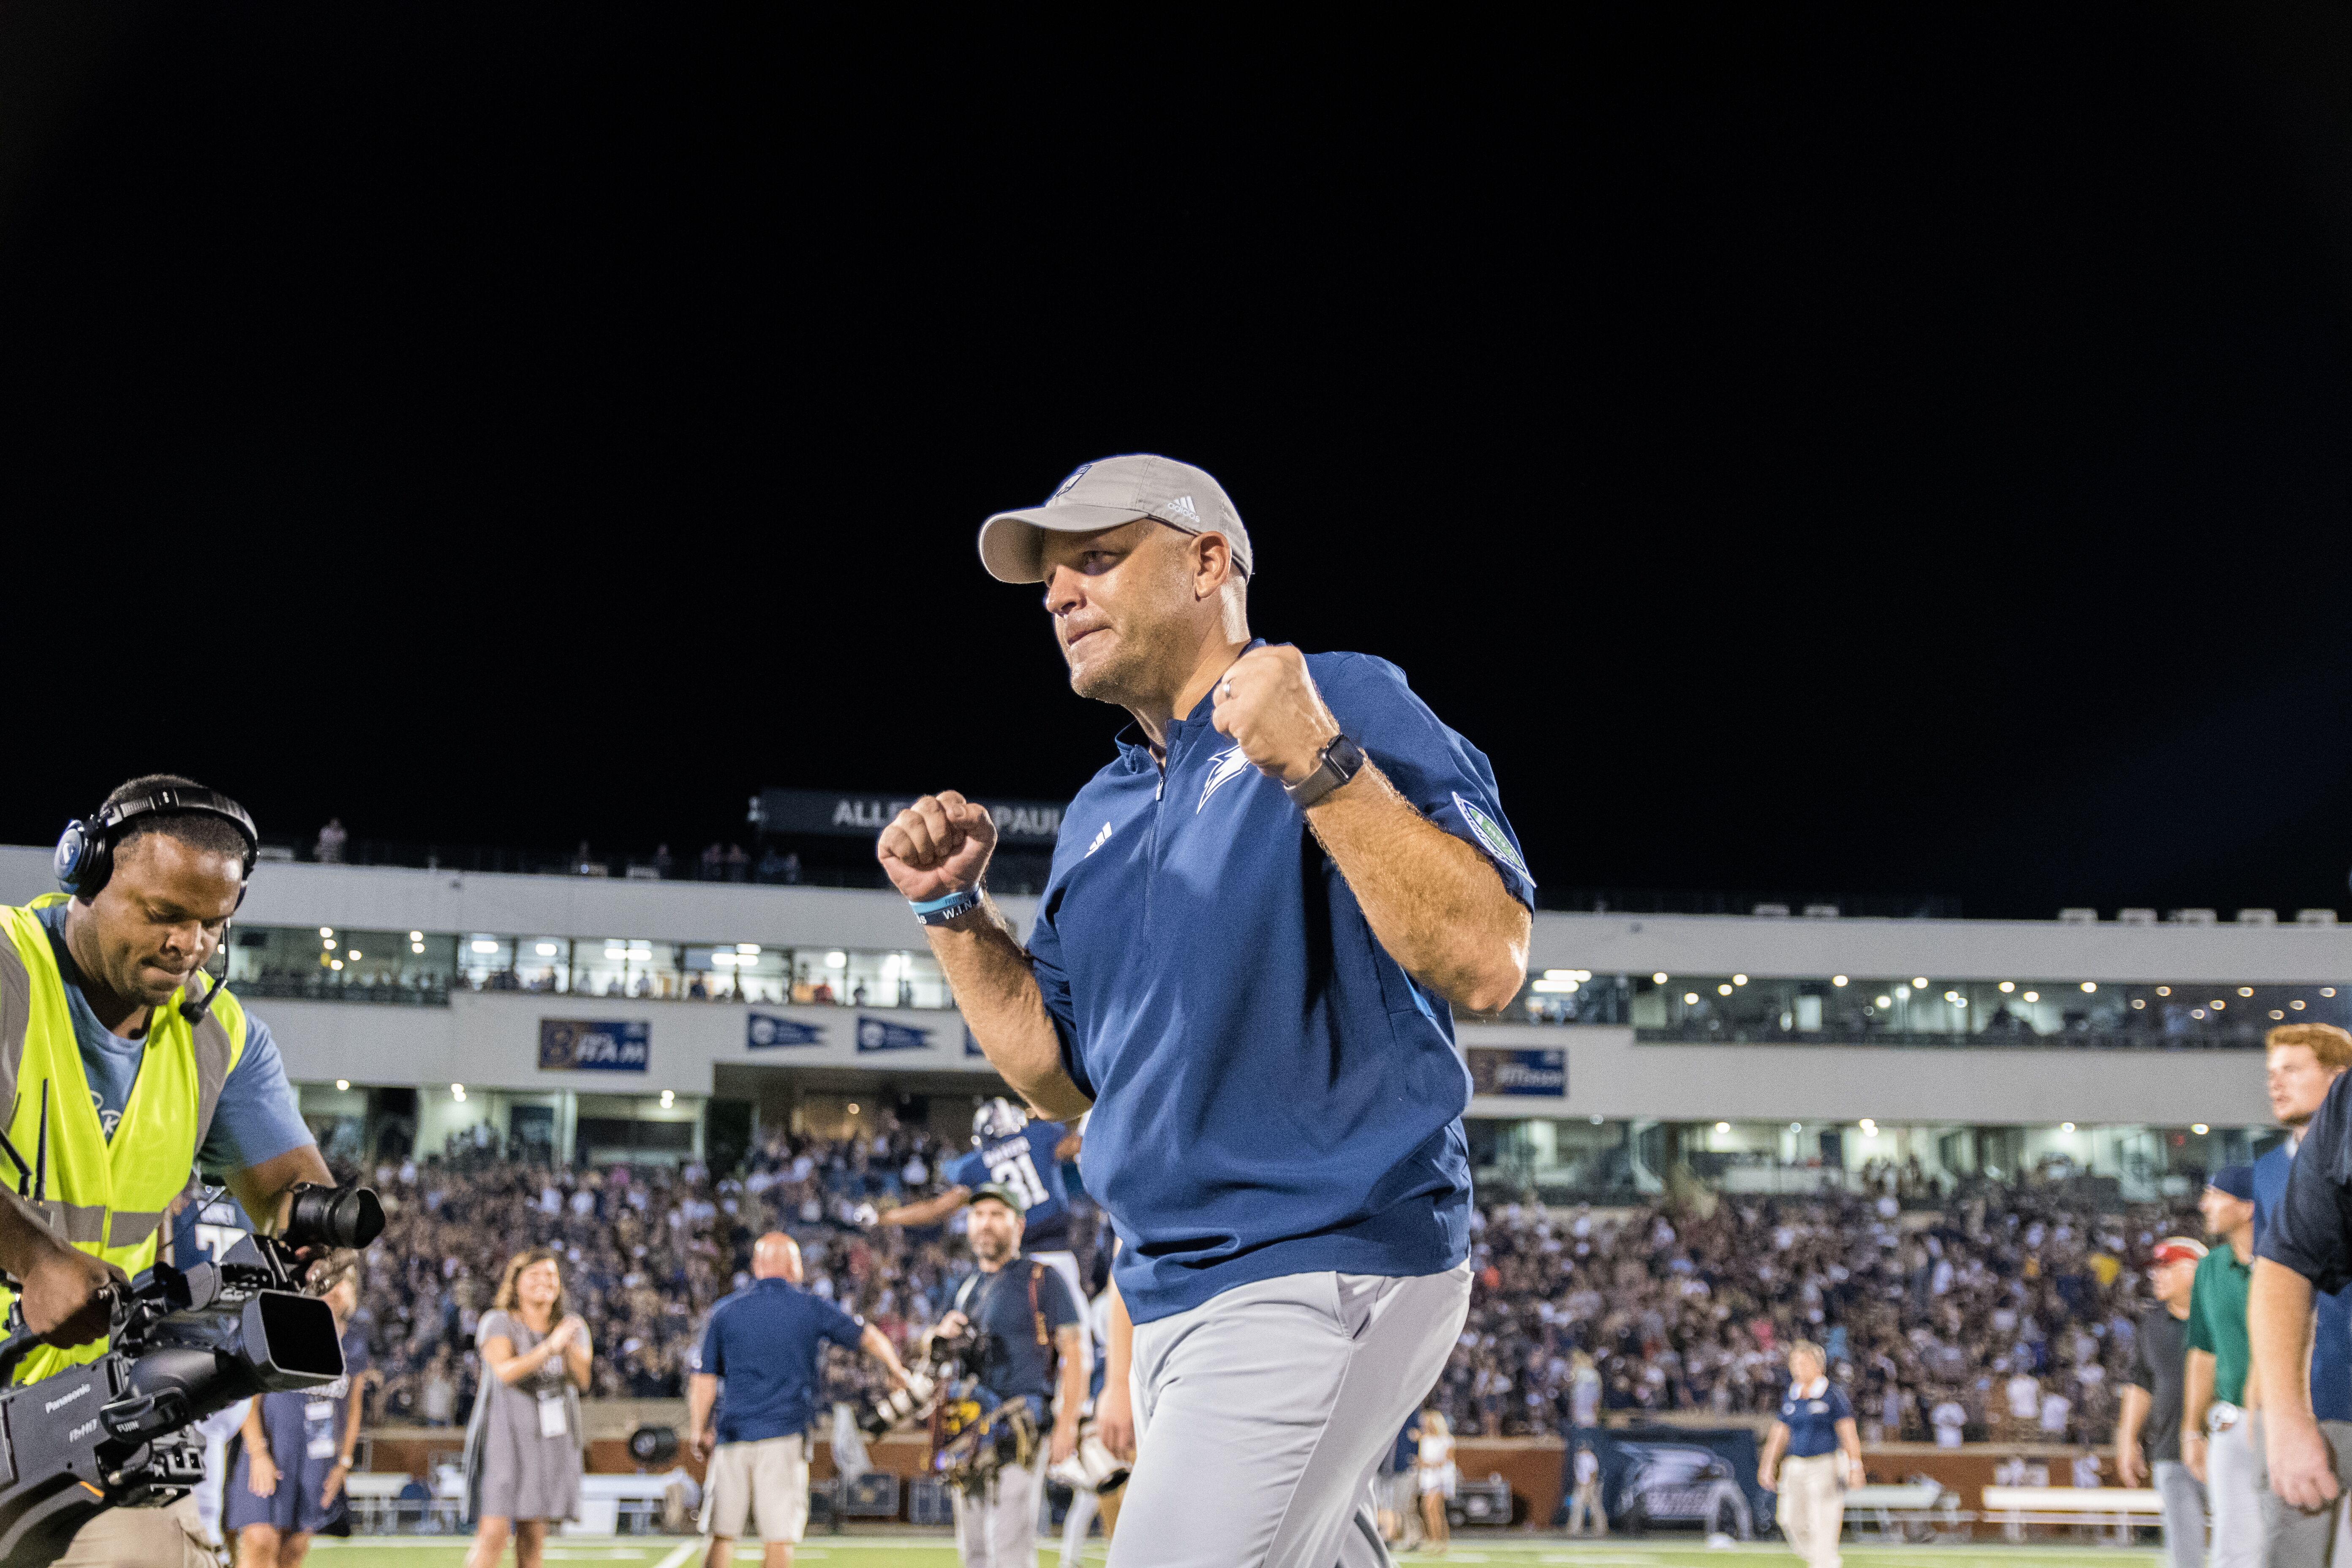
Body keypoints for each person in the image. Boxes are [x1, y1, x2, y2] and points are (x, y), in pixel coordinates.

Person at [879, 454, 1532, 1567]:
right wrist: (954, 914)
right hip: (1176, 1282)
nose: (1058, 595)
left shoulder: (1340, 696)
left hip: (1318, 1258)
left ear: (1208, 562)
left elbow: (1486, 956)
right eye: (1051, 579)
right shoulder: (1098, 809)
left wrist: (1320, 766)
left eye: (1094, 559)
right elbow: (1059, 1076)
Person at [1, 777, 333, 1568]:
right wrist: (35, 1257)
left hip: (84, 1408)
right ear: (83, 874)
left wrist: (315, 1232)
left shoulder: (218, 1032)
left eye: (213, 924)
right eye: (164, 914)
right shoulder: (9, 973)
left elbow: (289, 1187)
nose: (190, 944)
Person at [689, 1232, 912, 1568]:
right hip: (785, 1435)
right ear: (795, 1268)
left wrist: (697, 1430)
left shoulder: (725, 1312)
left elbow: (704, 1380)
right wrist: (898, 1371)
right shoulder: (810, 1306)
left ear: (756, 1266)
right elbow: (867, 1336)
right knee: (778, 1539)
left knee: (721, 1535)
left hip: (732, 1435)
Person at [922, 1183, 1085, 1568]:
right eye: (978, 1215)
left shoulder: (1041, 1278)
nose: (986, 1224)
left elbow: (1074, 1352)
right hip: (969, 1429)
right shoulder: (964, 1288)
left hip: (1020, 1427)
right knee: (974, 1550)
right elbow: (933, 1347)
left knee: (1009, 1548)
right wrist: (938, 1335)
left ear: (1019, 1224)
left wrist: (1067, 1423)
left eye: (997, 1215)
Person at [2249, 1023, 2352, 1566]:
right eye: (2272, 1072)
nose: (2277, 1083)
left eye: (2292, 1069)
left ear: (2335, 1074)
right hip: (2326, 1386)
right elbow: (2276, 1277)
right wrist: (2271, 1407)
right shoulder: (2268, 1168)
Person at [881, 1100, 1086, 1335]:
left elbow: (937, 1209)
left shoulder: (973, 1166)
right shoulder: (1040, 1135)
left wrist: (886, 1217)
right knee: (1072, 1336)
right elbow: (1079, 1146)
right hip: (1057, 1254)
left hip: (1010, 1265)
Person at [226, 1252, 370, 1568]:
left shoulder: (356, 1341)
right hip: (271, 1450)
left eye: (343, 1283)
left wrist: (343, 1464)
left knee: (294, 1552)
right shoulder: (286, 1326)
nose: (334, 1290)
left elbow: (353, 1407)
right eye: (327, 1284)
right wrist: (258, 1451)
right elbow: (249, 1393)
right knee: (260, 1540)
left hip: (316, 1459)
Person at [463, 1248, 592, 1568]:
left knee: (533, 1538)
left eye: (551, 1275)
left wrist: (566, 1347)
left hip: (548, 1442)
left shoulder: (572, 1327)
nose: (544, 1282)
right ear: (516, 1283)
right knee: (493, 1534)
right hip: (503, 1440)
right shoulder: (498, 1321)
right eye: (534, 1275)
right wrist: (550, 1347)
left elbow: (583, 1381)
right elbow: (505, 1372)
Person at [2185, 1164, 2260, 1568]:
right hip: (2230, 1420)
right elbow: (2203, 1353)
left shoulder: (2289, 1261)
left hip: (2288, 1418)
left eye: (2215, 1195)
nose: (2204, 1205)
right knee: (2232, 1545)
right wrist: (2191, 1430)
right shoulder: (2210, 1268)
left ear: (2248, 1207)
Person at [2118, 1236, 2207, 1568]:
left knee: (2244, 1546)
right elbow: (2141, 1382)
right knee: (2184, 1555)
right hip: (2170, 1449)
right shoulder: (2152, 1322)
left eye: (2166, 1268)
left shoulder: (2220, 1313)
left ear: (2193, 1271)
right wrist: (2128, 1439)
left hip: (2224, 1445)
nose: (2157, 1276)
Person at [1758, 1340, 1863, 1568]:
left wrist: (1856, 1466)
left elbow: (1848, 1433)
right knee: (1788, 1520)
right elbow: (1779, 1433)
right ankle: (1823, 1560)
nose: (1797, 1368)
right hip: (1795, 1466)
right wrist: (1768, 1465)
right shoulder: (1792, 1396)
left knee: (1823, 1522)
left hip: (1826, 1464)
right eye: (1794, 1363)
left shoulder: (1832, 1395)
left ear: (1818, 1366)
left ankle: (1823, 1562)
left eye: (1803, 1362)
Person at [1411, 1408, 1455, 1553]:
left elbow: (1448, 1460)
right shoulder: (1425, 1440)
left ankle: (1440, 1541)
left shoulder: (1447, 1440)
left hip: (1441, 1478)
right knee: (1427, 1510)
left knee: (1435, 1509)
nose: (1427, 1426)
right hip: (1428, 1477)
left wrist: (1428, 1464)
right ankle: (1434, 1539)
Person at [1566, 1442, 1606, 1537]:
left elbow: (1593, 1473)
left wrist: (1589, 1487)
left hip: (1590, 1485)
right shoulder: (1578, 1457)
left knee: (1595, 1508)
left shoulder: (1590, 1458)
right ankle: (1575, 1530)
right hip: (1582, 1485)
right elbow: (1578, 1474)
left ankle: (1601, 1530)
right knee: (1577, 1507)